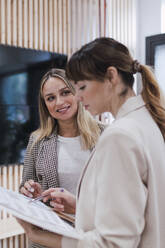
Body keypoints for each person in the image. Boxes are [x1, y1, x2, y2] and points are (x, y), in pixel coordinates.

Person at [17, 37, 165, 248]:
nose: (77, 97)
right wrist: (79, 205)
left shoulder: (118, 136)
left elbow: (112, 243)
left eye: (81, 87)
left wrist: (40, 236)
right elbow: (135, 212)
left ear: (111, 76)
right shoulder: (148, 123)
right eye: (50, 98)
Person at [19, 68, 104, 248]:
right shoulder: (37, 140)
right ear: (45, 105)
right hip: (49, 240)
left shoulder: (106, 135)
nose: (59, 102)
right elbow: (25, 188)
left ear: (77, 93)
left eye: (65, 93)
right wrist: (30, 191)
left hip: (93, 238)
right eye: (50, 98)